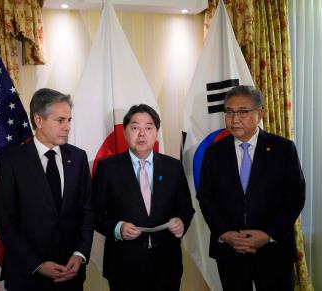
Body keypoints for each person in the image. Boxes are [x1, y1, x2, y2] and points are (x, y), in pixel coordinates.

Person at [197, 85, 305, 291]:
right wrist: (224, 233)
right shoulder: (214, 153)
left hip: (273, 249)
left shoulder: (283, 149)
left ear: (260, 114)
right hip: (231, 249)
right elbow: (205, 197)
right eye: (229, 112)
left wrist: (268, 235)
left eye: (243, 112)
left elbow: (296, 197)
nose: (234, 119)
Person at [0, 88, 94, 291]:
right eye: (60, 120)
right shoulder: (11, 162)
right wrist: (37, 264)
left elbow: (88, 210)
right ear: (39, 120)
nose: (67, 127)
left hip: (70, 275)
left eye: (69, 120)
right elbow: (6, 222)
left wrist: (80, 254)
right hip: (27, 276)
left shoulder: (79, 158)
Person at [92, 104, 195, 291]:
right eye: (135, 128)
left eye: (148, 128)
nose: (141, 134)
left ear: (156, 133)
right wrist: (117, 228)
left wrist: (182, 222)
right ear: (125, 132)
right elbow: (94, 213)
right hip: (123, 265)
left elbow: (186, 208)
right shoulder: (108, 168)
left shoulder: (173, 167)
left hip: (166, 264)